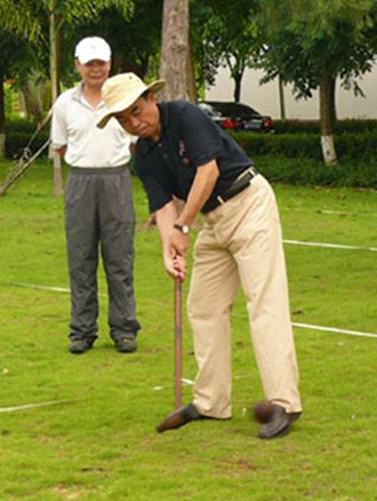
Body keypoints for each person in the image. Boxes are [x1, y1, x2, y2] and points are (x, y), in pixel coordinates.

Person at [97, 72, 302, 439]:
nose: (134, 122)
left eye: (136, 110)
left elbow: (207, 172)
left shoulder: (186, 115)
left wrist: (183, 228)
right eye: (123, 119)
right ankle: (211, 402)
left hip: (249, 204)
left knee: (264, 304)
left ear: (150, 99)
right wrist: (168, 250)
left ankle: (284, 403)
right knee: (203, 307)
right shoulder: (143, 157)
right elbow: (162, 208)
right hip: (213, 221)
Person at [50, 37, 141, 354]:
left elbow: (133, 141)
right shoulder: (64, 103)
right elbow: (62, 147)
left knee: (119, 259)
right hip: (81, 182)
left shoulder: (125, 101)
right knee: (81, 259)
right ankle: (82, 331)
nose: (95, 69)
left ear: (110, 64)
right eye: (89, 63)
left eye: (100, 63)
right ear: (77, 65)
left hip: (116, 180)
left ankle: (124, 328)